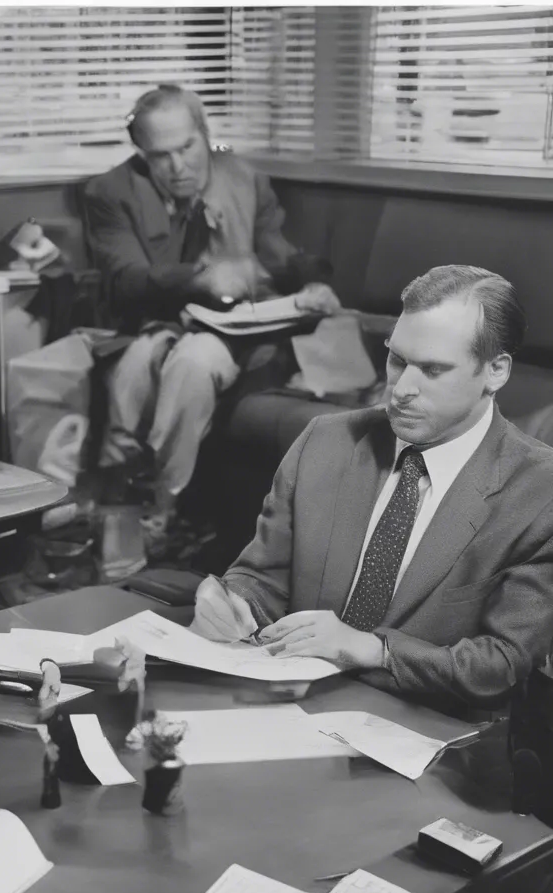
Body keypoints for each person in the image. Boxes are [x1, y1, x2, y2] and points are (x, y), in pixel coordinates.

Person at [191, 265, 553, 717]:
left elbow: (501, 664)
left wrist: (373, 650)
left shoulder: (540, 493)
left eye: (432, 369)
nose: (401, 390)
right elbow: (263, 578)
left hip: (432, 733)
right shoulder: (325, 441)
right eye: (397, 360)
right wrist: (234, 604)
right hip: (291, 708)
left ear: (495, 371)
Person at [83, 84, 340, 512]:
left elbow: (278, 252)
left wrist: (313, 283)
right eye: (160, 156)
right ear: (142, 155)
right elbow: (127, 279)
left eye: (187, 147)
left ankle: (163, 504)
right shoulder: (112, 192)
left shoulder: (243, 178)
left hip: (240, 330)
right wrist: (200, 278)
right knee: (137, 366)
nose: (178, 167)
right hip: (156, 321)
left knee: (193, 361)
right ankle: (121, 500)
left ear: (204, 134)